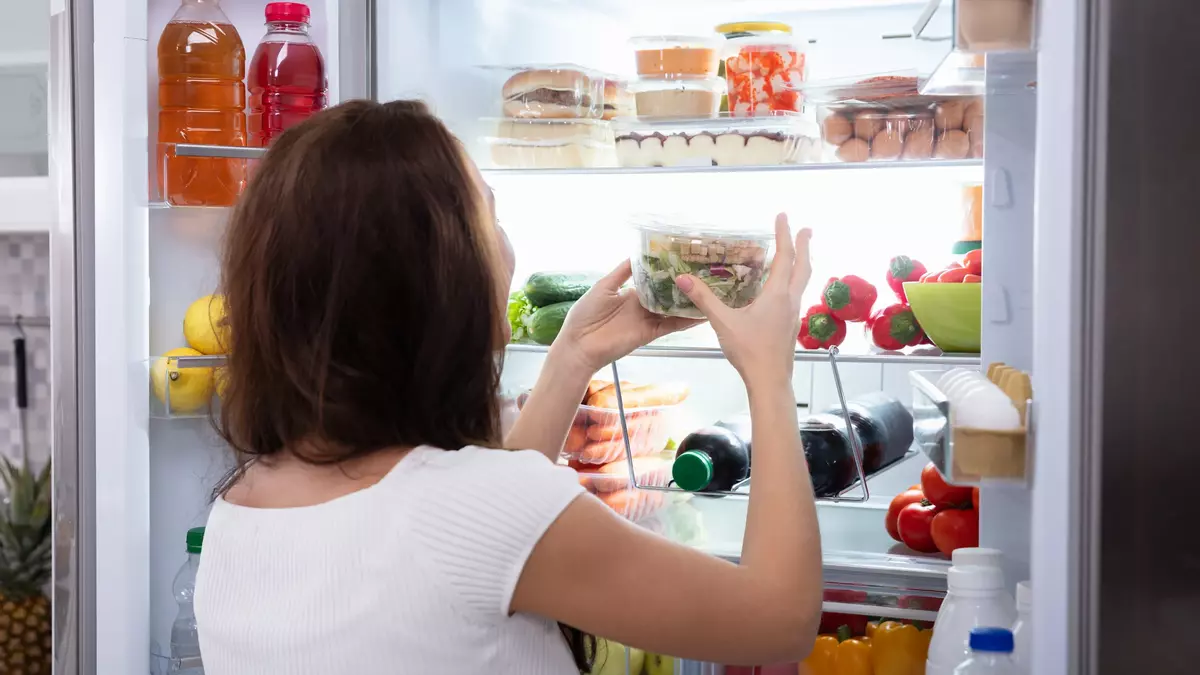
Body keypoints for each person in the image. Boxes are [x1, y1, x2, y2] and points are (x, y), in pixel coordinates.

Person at [194, 99, 823, 675]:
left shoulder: (240, 504)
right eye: (488, 215)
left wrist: (572, 358)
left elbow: (469, 552)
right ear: (438, 277)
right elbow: (778, 620)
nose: (503, 244)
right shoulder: (473, 509)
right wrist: (769, 377)